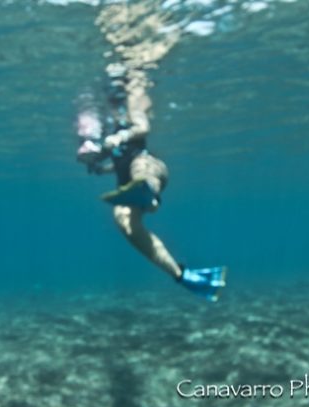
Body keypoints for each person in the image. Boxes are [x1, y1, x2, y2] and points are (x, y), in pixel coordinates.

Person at [76, 2, 226, 301]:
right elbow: (112, 159)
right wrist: (95, 163)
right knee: (123, 219)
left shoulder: (133, 92)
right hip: (126, 182)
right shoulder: (104, 113)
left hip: (148, 166)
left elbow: (141, 128)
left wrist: (116, 139)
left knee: (143, 173)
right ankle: (182, 275)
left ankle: (149, 194)